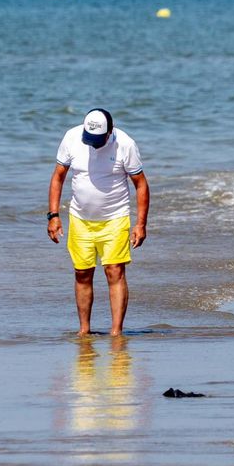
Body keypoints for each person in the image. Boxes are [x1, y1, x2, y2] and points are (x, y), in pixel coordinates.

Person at [48, 109, 149, 337]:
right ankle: (84, 330)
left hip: (115, 217)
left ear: (110, 132)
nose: (93, 145)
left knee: (114, 271)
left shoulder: (126, 144)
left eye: (97, 140)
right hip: (80, 218)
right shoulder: (72, 137)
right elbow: (58, 177)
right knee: (82, 272)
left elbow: (141, 184)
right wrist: (53, 215)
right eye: (89, 139)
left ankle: (116, 332)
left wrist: (140, 224)